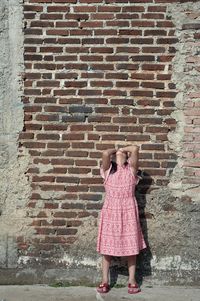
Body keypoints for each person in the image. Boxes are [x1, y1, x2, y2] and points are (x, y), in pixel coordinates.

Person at [96, 145, 147, 294]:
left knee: (131, 248)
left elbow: (136, 149)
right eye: (117, 154)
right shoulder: (107, 171)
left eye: (123, 154)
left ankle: (132, 280)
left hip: (128, 211)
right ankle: (104, 280)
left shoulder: (131, 171)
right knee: (107, 248)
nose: (120, 154)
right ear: (112, 158)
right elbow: (105, 152)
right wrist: (115, 149)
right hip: (111, 212)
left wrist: (122, 149)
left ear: (127, 157)